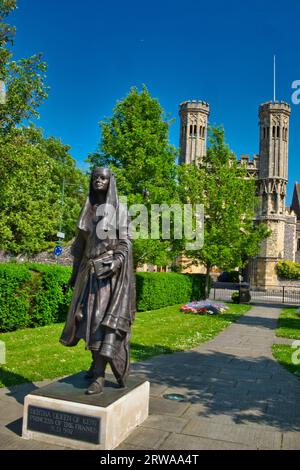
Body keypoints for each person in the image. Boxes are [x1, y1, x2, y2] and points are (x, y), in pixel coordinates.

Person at [60, 167, 136, 395]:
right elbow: (79, 248)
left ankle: (100, 376)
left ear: (110, 181)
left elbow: (126, 242)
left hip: (108, 276)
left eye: (103, 178)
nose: (98, 181)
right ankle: (95, 365)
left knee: (100, 323)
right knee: (84, 321)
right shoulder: (88, 211)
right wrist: (74, 276)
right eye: (95, 178)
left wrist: (116, 262)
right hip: (88, 273)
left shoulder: (119, 209)